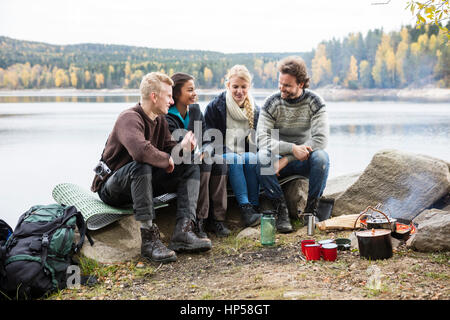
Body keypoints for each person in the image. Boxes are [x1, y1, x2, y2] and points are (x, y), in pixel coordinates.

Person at [91, 72, 212, 264]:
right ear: (154, 96)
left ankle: (184, 231)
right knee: (142, 166)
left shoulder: (159, 120)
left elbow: (170, 149)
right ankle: (148, 240)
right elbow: (140, 151)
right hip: (112, 188)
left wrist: (183, 148)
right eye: (169, 96)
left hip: (142, 183)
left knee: (189, 163)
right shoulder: (129, 118)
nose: (172, 101)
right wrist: (167, 159)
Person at [256, 56, 330, 233]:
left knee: (321, 157)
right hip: (277, 161)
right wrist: (291, 150)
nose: (282, 88)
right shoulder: (271, 102)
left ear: (301, 84)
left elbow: (321, 139)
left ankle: (310, 211)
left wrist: (288, 159)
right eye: (280, 83)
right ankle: (281, 211)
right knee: (261, 157)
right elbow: (262, 139)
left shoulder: (315, 102)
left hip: (303, 159)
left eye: (287, 85)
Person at [165, 72, 230, 238]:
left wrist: (206, 149)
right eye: (190, 90)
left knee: (220, 162)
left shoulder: (195, 109)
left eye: (195, 89)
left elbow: (207, 136)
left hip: (197, 155)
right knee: (205, 163)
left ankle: (218, 220)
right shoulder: (167, 117)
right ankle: (199, 221)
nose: (195, 93)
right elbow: (177, 147)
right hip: (178, 162)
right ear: (176, 93)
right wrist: (198, 153)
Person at [204, 65, 262, 227]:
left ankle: (254, 206)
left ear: (249, 87)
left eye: (243, 87)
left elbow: (258, 141)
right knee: (235, 159)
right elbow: (209, 138)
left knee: (251, 157)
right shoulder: (215, 107)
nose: (239, 91)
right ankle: (245, 208)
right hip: (220, 151)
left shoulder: (256, 110)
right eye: (235, 87)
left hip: (245, 153)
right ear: (228, 86)